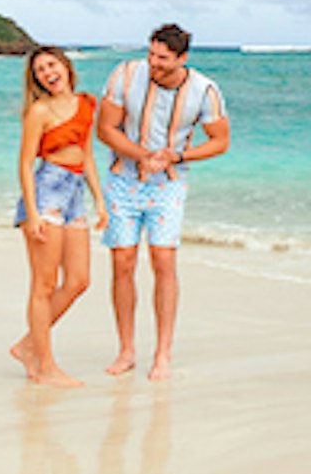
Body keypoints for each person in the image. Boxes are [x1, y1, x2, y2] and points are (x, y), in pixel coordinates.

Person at [97, 24, 229, 381]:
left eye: (163, 59)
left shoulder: (204, 90)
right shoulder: (125, 74)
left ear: (182, 58)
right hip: (122, 180)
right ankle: (126, 350)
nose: (154, 64)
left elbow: (220, 141)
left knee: (163, 261)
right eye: (151, 55)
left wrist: (177, 156)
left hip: (169, 185)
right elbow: (105, 129)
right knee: (123, 263)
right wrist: (142, 155)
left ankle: (163, 354)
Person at [7, 45, 108, 388]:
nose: (47, 73)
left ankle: (27, 345)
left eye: (52, 65)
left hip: (75, 193)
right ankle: (44, 366)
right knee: (44, 284)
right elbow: (24, 163)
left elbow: (88, 156)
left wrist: (100, 202)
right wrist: (32, 213)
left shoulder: (86, 104)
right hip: (46, 191)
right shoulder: (38, 111)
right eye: (39, 71)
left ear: (66, 66)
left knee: (79, 280)